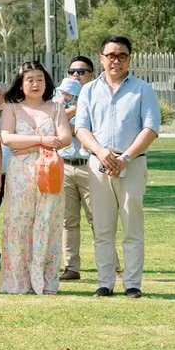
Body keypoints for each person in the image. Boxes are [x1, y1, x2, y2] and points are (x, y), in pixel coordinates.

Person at [73, 36, 163, 298]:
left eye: (122, 55)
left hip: (132, 163)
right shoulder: (89, 90)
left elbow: (151, 127)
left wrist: (126, 158)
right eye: (110, 55)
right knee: (102, 227)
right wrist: (101, 153)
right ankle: (105, 282)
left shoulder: (142, 89)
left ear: (130, 58)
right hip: (98, 163)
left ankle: (132, 284)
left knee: (131, 224)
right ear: (101, 58)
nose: (116, 60)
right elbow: (81, 128)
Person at [0, 61, 73, 294]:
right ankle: (18, 281)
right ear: (20, 83)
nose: (35, 84)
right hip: (20, 172)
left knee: (47, 220)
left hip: (48, 171)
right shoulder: (11, 107)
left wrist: (30, 144)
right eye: (29, 79)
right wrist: (42, 141)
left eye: (40, 79)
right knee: (20, 222)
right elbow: (8, 138)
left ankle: (45, 280)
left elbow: (65, 137)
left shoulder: (55, 108)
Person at [57, 56, 96, 282]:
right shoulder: (59, 97)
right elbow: (52, 122)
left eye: (81, 71)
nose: (75, 75)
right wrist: (70, 112)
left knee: (98, 218)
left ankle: (112, 266)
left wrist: (70, 128)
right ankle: (71, 266)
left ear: (92, 74)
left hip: (89, 165)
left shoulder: (97, 96)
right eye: (72, 71)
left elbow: (91, 128)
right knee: (68, 221)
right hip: (65, 165)